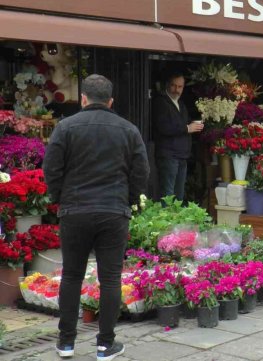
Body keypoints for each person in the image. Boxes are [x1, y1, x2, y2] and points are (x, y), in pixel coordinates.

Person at [43, 75, 150, 360]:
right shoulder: (128, 130)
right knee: (111, 279)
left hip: (74, 210)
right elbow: (141, 172)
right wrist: (128, 200)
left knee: (72, 275)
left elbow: (51, 169)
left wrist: (59, 199)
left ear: (83, 99)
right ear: (111, 101)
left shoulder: (65, 127)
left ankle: (66, 342)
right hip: (113, 211)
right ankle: (105, 344)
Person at [152, 72, 203, 201]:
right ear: (167, 85)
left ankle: (175, 220)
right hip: (169, 154)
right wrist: (187, 128)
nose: (176, 89)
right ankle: (165, 220)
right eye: (174, 86)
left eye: (180, 86)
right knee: (168, 194)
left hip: (181, 154)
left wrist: (193, 125)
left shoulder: (180, 103)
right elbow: (164, 127)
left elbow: (182, 124)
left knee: (178, 195)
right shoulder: (161, 102)